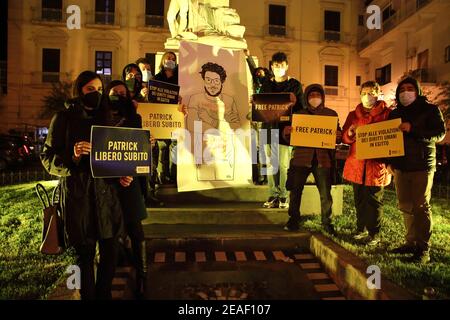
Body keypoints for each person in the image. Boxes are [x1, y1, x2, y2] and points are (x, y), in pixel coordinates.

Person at [40, 71, 133, 299]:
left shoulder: (107, 118)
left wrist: (122, 176)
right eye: (91, 89)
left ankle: (104, 295)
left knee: (111, 253)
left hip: (106, 197)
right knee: (85, 256)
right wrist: (71, 155)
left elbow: (114, 158)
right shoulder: (63, 118)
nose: (96, 94)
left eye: (100, 90)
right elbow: (47, 158)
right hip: (78, 198)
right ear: (79, 90)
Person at [388, 77, 446, 263]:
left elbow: (439, 134)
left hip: (422, 165)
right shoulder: (394, 113)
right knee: (405, 205)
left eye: (410, 88)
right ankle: (410, 242)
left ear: (417, 90)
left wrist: (413, 129)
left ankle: (423, 249)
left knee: (420, 206)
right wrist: (389, 161)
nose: (406, 92)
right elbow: (387, 139)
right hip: (400, 166)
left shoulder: (430, 110)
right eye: (402, 89)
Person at [106, 80, 151, 297]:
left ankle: (142, 276)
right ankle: (116, 261)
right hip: (106, 183)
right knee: (110, 229)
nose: (118, 96)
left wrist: (146, 144)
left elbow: (138, 148)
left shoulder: (135, 118)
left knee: (136, 230)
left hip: (129, 181)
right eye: (114, 93)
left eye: (122, 93)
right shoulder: (99, 117)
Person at [282, 84, 341, 233]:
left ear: (323, 97)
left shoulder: (331, 114)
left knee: (325, 194)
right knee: (295, 192)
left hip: (323, 159)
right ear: (306, 98)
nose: (315, 98)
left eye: (317, 95)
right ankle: (293, 220)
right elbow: (290, 138)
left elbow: (338, 135)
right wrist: (287, 132)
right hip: (301, 159)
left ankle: (327, 223)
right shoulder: (299, 115)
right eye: (311, 95)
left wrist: (337, 135)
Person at [342, 81, 392, 246]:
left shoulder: (387, 114)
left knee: (374, 200)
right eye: (364, 92)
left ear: (378, 94)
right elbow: (344, 138)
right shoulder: (352, 115)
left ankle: (374, 233)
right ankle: (360, 228)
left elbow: (393, 138)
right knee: (359, 200)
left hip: (376, 166)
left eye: (371, 92)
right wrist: (349, 133)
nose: (367, 96)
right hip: (357, 165)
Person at [260, 52, 303, 209]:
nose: (278, 68)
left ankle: (284, 195)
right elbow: (261, 106)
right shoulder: (266, 84)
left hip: (285, 131)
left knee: (283, 165)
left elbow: (301, 109)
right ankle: (273, 194)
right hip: (268, 129)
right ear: (272, 67)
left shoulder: (295, 85)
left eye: (281, 65)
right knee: (270, 164)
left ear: (287, 66)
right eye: (276, 66)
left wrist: (295, 101)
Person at [187, 62, 241, 181]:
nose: (212, 85)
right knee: (205, 181)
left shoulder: (229, 100)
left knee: (226, 184)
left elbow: (236, 127)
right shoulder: (195, 99)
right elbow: (191, 125)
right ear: (204, 81)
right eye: (208, 80)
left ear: (222, 82)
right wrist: (223, 123)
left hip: (225, 153)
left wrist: (208, 119)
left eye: (216, 81)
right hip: (203, 152)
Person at [123, 63, 163, 206]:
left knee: (149, 166)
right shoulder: (122, 93)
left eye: (138, 75)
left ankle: (149, 194)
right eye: (131, 75)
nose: (135, 78)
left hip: (146, 137)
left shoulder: (146, 92)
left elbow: (158, 110)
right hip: (127, 137)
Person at [154, 51, 179, 184]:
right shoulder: (156, 78)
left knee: (175, 146)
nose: (170, 60)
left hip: (175, 116)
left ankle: (174, 174)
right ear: (163, 60)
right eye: (168, 58)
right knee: (163, 146)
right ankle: (162, 175)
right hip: (162, 116)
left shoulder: (180, 77)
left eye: (173, 58)